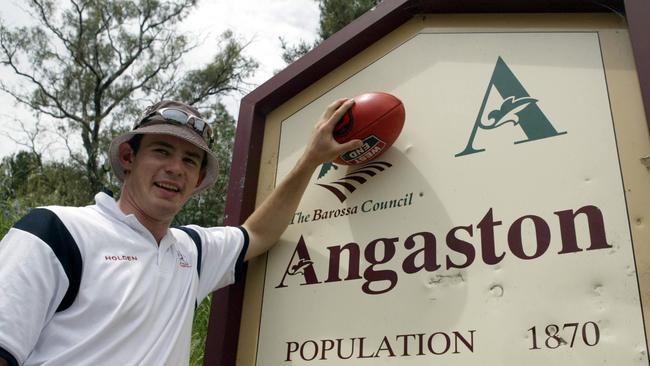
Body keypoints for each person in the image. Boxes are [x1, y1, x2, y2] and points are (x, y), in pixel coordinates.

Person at [0, 99, 361, 366]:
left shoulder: (193, 252)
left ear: (199, 179)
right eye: (162, 151)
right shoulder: (56, 231)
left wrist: (311, 159)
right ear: (128, 157)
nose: (176, 169)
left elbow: (259, 234)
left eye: (190, 160)